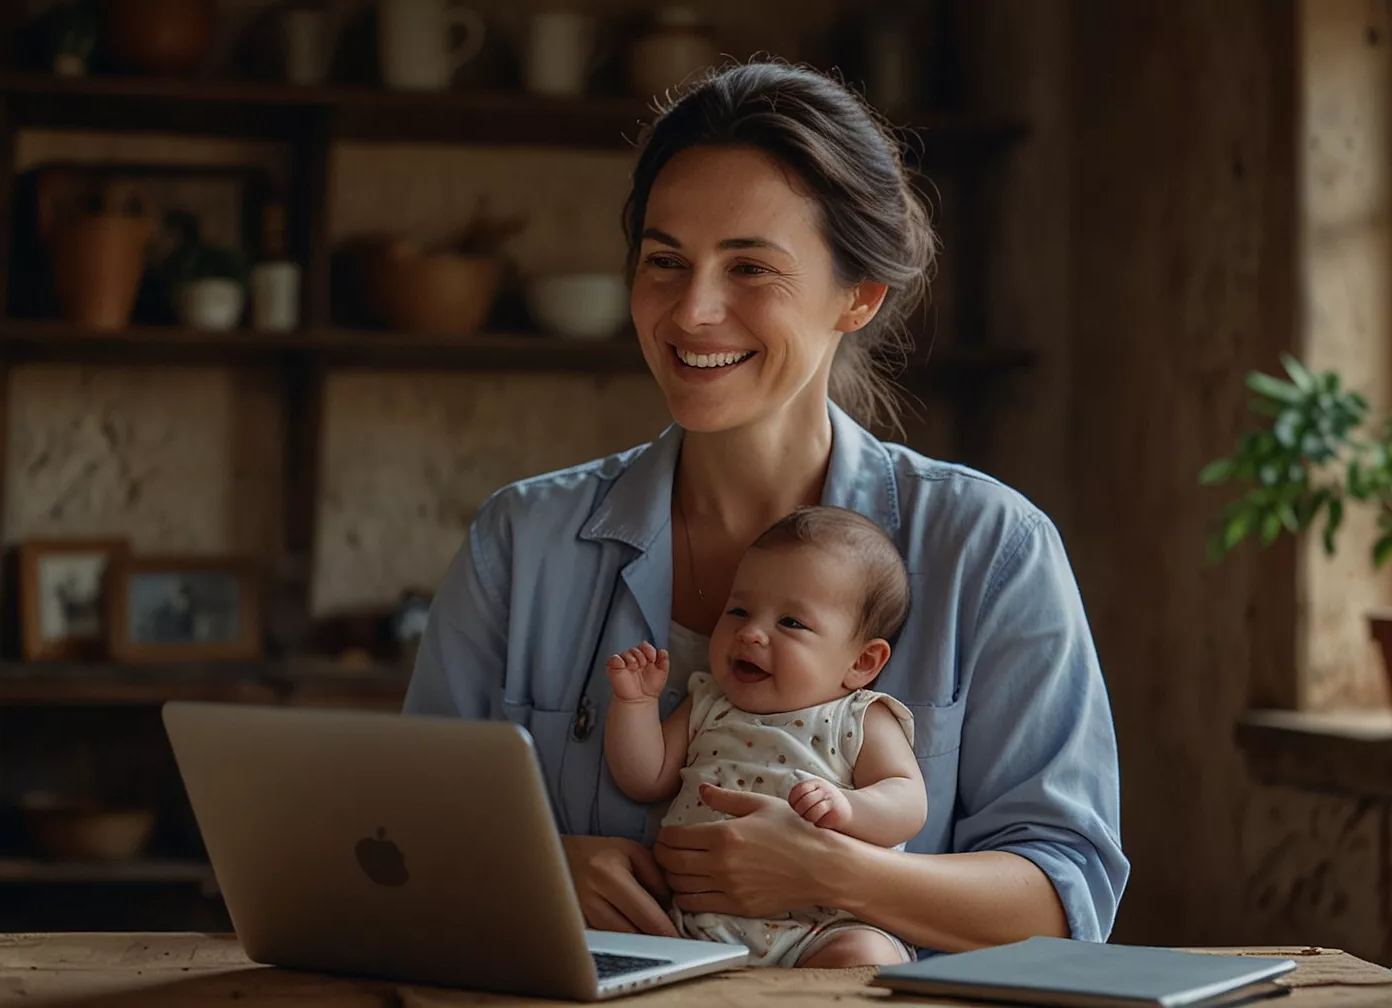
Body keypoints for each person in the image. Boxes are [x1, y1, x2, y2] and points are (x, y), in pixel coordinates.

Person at [404, 59, 1127, 956]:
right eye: (664, 260)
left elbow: (1065, 893)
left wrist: (833, 873)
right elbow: (408, 847)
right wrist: (542, 866)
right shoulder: (519, 543)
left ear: (858, 296)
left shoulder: (992, 550)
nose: (693, 310)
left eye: (750, 267)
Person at [604, 505, 924, 968]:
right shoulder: (709, 701)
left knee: (866, 953)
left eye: (791, 623)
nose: (750, 633)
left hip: (819, 928)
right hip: (695, 926)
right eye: (738, 610)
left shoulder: (858, 717)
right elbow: (645, 777)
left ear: (862, 663)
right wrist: (634, 706)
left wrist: (850, 808)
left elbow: (908, 800)